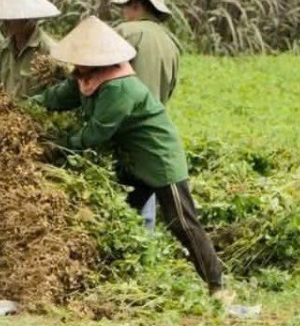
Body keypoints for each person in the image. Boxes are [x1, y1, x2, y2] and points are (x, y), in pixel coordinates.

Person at [32, 16, 233, 305]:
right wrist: (23, 107)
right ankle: (115, 277)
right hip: (133, 164)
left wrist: (54, 146)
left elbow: (94, 135)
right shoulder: (85, 78)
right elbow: (56, 97)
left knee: (182, 223)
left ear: (97, 59)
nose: (75, 67)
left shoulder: (119, 87)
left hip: (160, 159)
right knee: (118, 219)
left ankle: (218, 286)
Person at [112, 0, 181, 232]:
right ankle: (143, 262)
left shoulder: (124, 33)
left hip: (121, 135)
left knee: (116, 208)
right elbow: (169, 90)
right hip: (153, 137)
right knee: (144, 215)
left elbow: (98, 79)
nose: (124, 11)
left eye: (127, 5)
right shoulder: (172, 44)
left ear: (138, 5)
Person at [0, 0, 60, 100]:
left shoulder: (49, 51)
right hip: (7, 116)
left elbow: (59, 96)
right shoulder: (2, 51)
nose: (6, 22)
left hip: (36, 116)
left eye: (12, 17)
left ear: (29, 20)